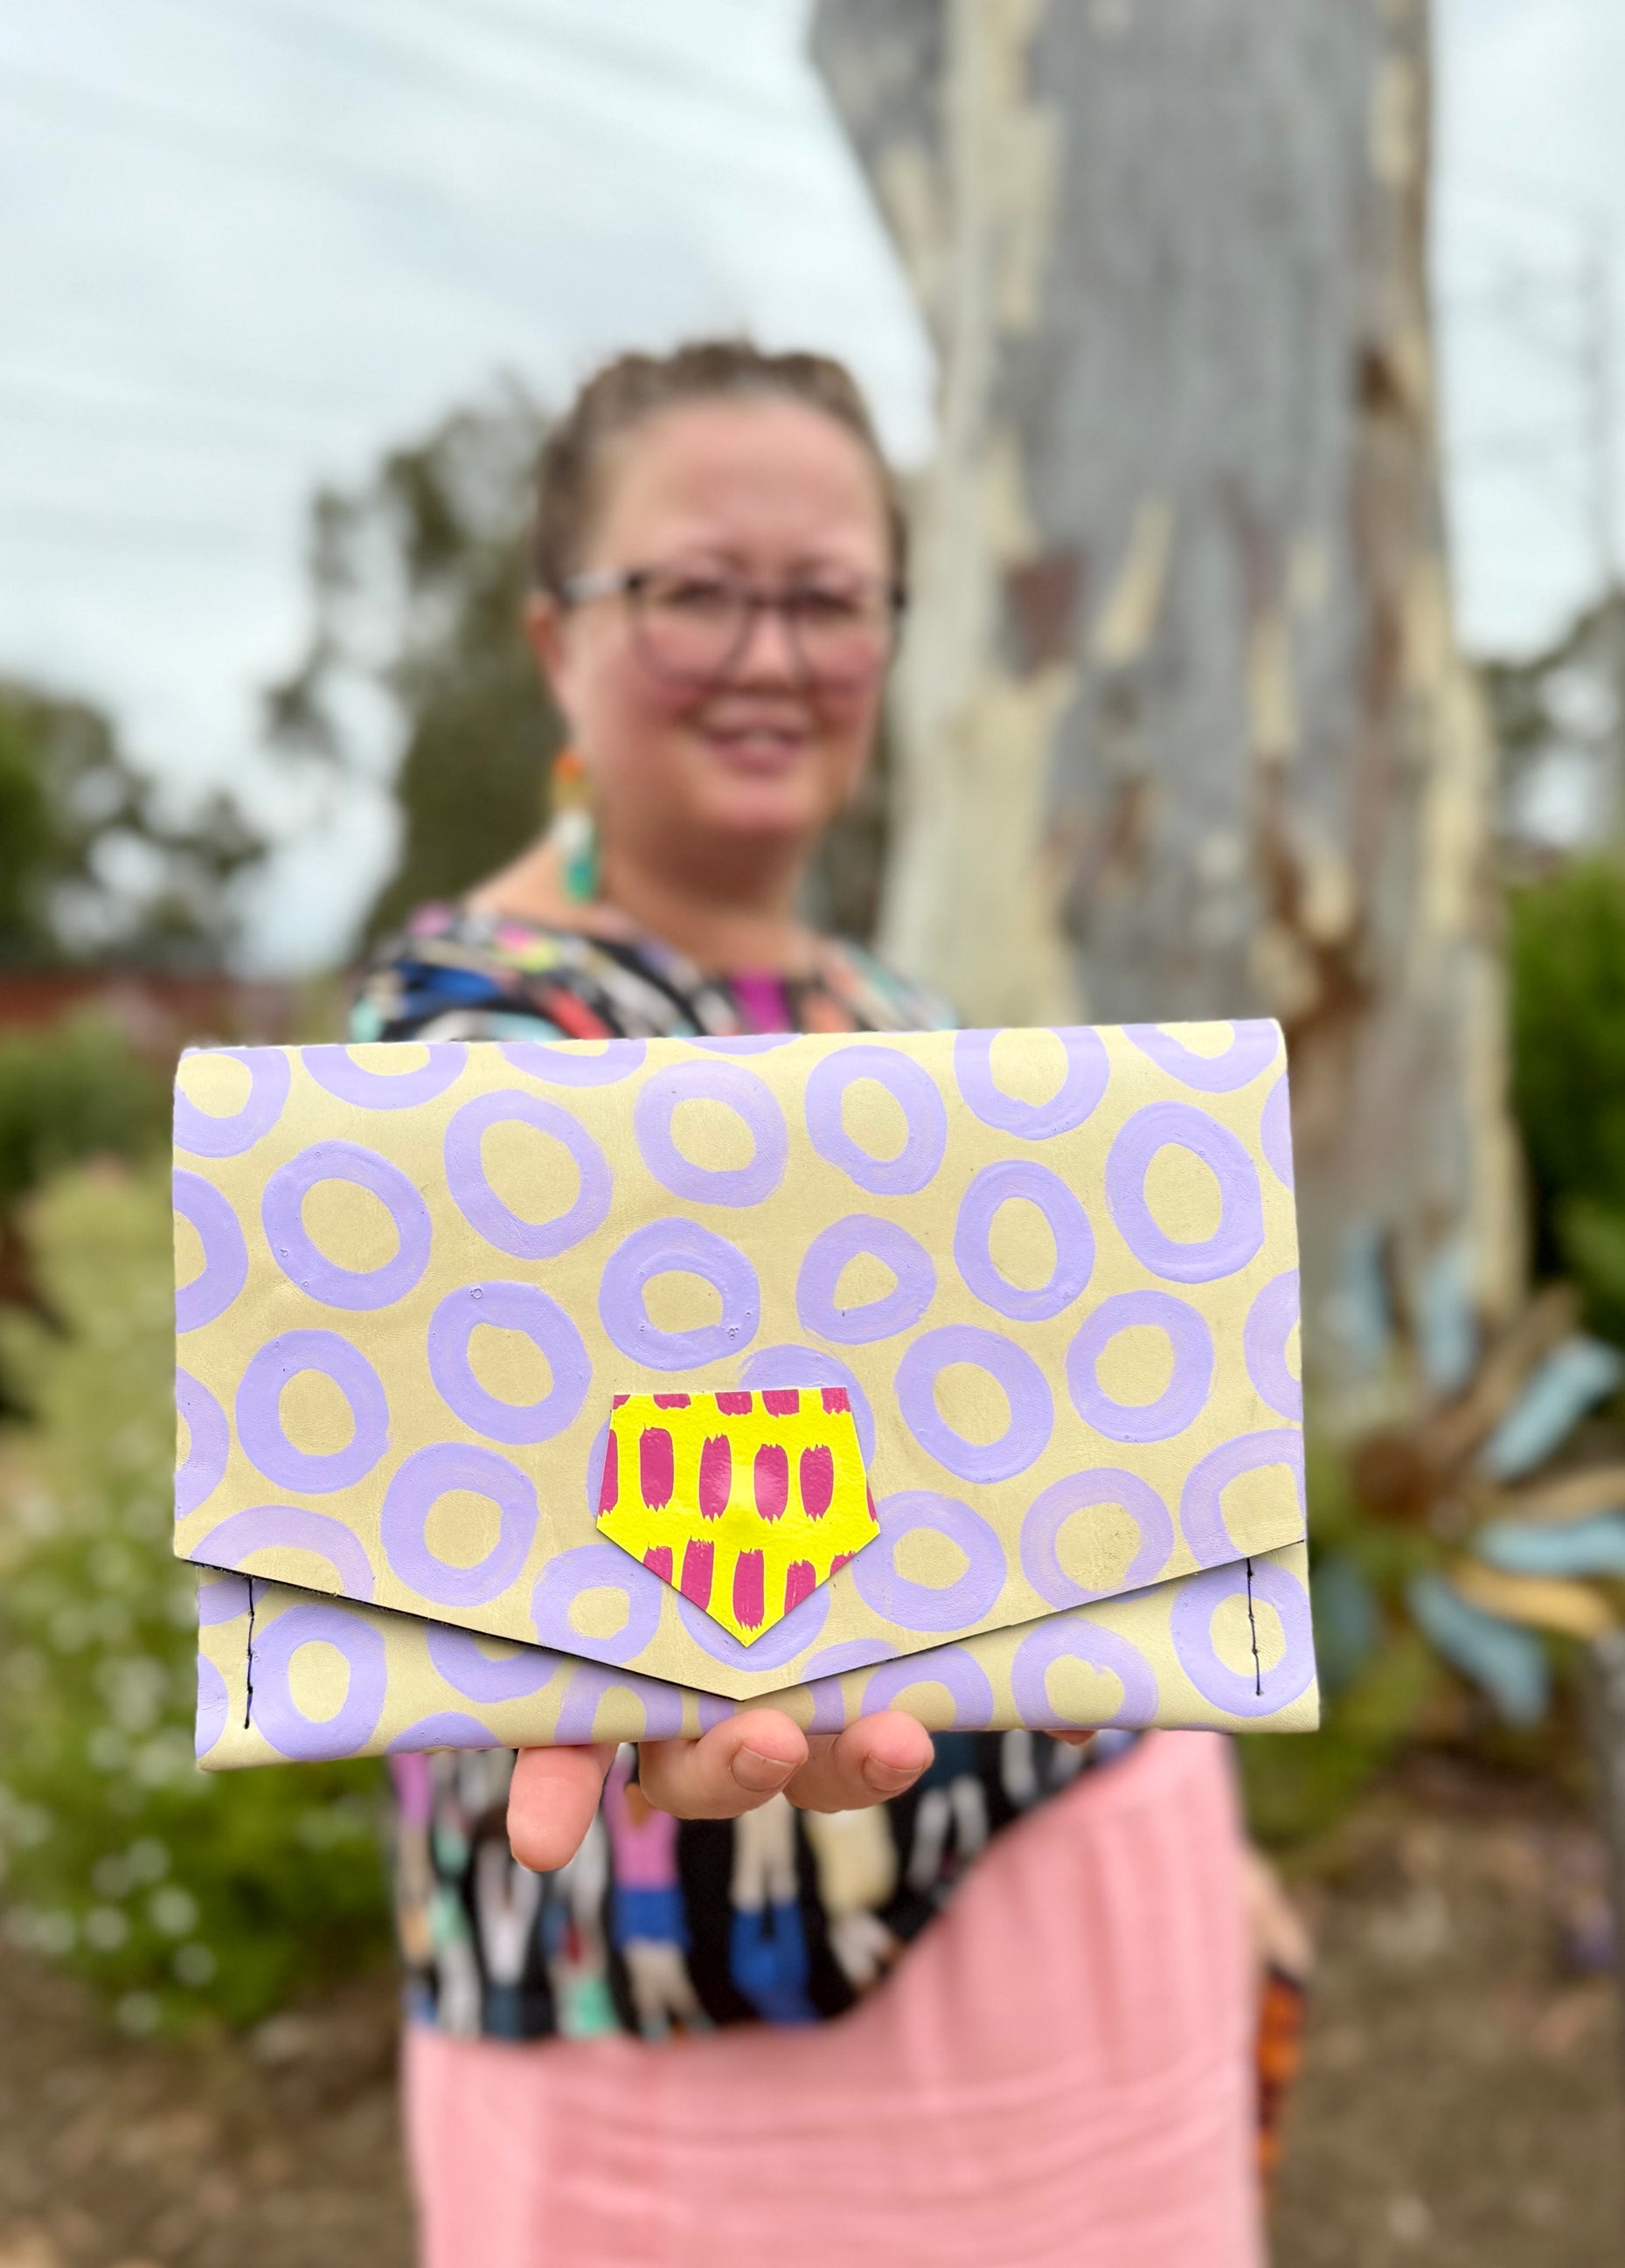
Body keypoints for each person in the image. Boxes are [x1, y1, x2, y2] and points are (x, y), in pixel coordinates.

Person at [352, 340, 1295, 2267]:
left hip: (1112, 1968)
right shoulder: (463, 1046)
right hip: (709, 2052)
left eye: (832, 597)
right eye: (695, 589)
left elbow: (1062, 1500)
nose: (772, 654)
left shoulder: (913, 1025)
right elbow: (486, 1562)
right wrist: (604, 1699)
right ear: (554, 638)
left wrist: (1221, 1843)